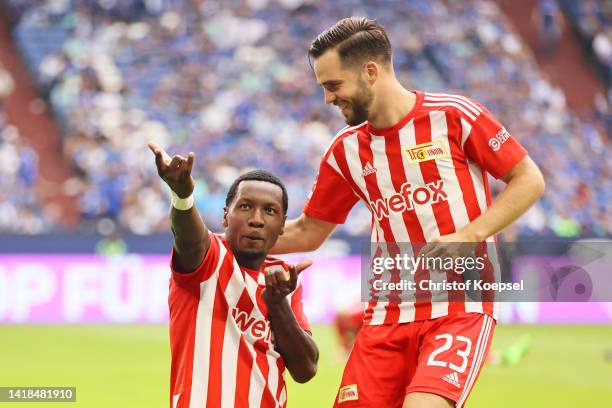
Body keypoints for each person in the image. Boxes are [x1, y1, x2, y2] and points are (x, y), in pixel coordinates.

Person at [272, 17, 545, 408]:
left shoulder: (454, 116)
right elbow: (309, 231)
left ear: (370, 71)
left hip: (458, 306)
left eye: (333, 86)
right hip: (384, 317)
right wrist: (214, 242)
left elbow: (529, 178)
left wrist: (470, 235)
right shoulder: (345, 150)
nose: (328, 99)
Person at [148, 142, 318, 408]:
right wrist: (182, 198)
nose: (257, 219)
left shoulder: (284, 280)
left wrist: (278, 305)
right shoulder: (210, 257)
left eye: (270, 210)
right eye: (246, 206)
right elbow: (189, 239)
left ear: (283, 225)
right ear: (226, 216)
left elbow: (305, 369)